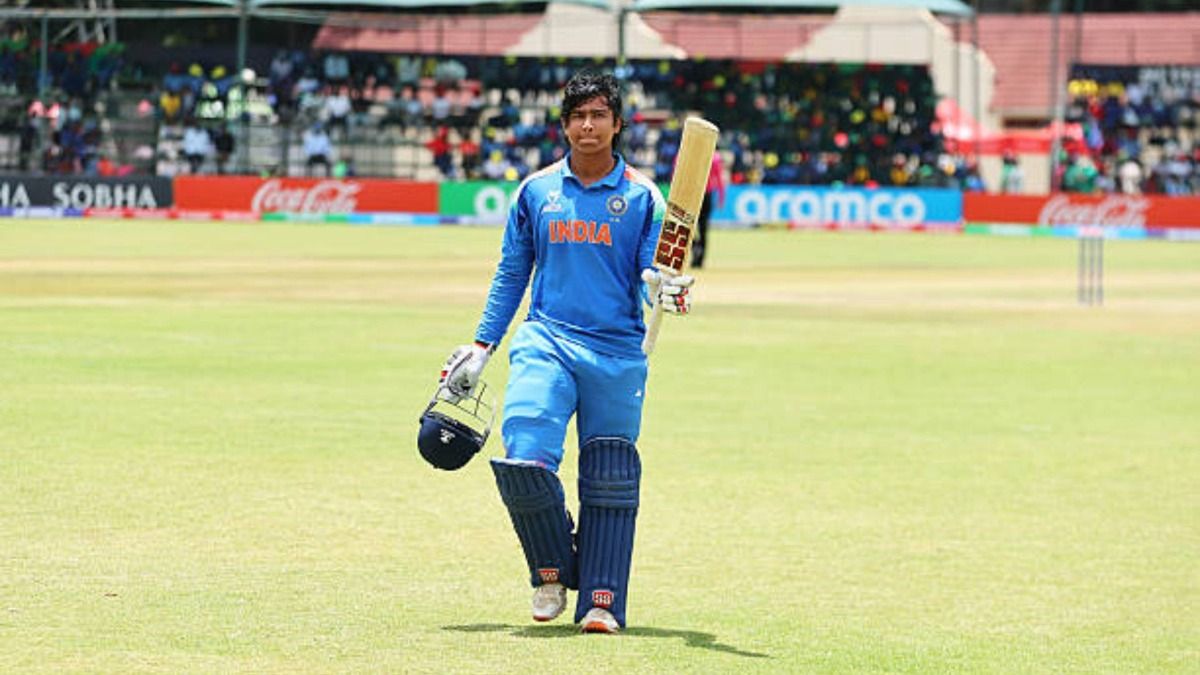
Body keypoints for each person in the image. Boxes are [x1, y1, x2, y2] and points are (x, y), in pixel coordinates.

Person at [437, 70, 694, 635]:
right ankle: (551, 572)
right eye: (577, 116)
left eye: (598, 114)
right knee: (524, 452)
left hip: (617, 350)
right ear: (563, 124)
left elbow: (653, 270)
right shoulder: (536, 192)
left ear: (617, 123)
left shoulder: (643, 197)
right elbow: (512, 271)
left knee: (609, 473)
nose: (587, 125)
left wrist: (665, 289)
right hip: (546, 339)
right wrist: (482, 345)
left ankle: (602, 599)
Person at [691, 149, 725, 269]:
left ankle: (696, 252)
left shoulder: (694, 154)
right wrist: (721, 198)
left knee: (690, 227)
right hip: (706, 194)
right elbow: (720, 180)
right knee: (703, 229)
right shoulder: (715, 157)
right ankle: (699, 258)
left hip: (695, 194)